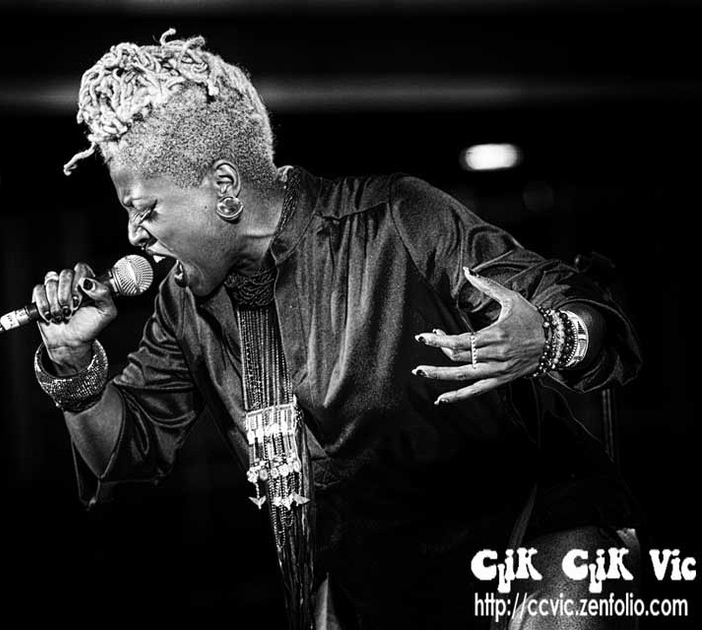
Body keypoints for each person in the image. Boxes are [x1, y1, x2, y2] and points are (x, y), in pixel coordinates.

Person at [31, 28, 643, 629]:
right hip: (378, 593)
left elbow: (580, 309)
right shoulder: (183, 303)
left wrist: (553, 338)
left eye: (146, 210)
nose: (134, 236)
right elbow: (127, 452)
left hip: (536, 552)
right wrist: (73, 363)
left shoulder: (397, 220)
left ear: (224, 188)